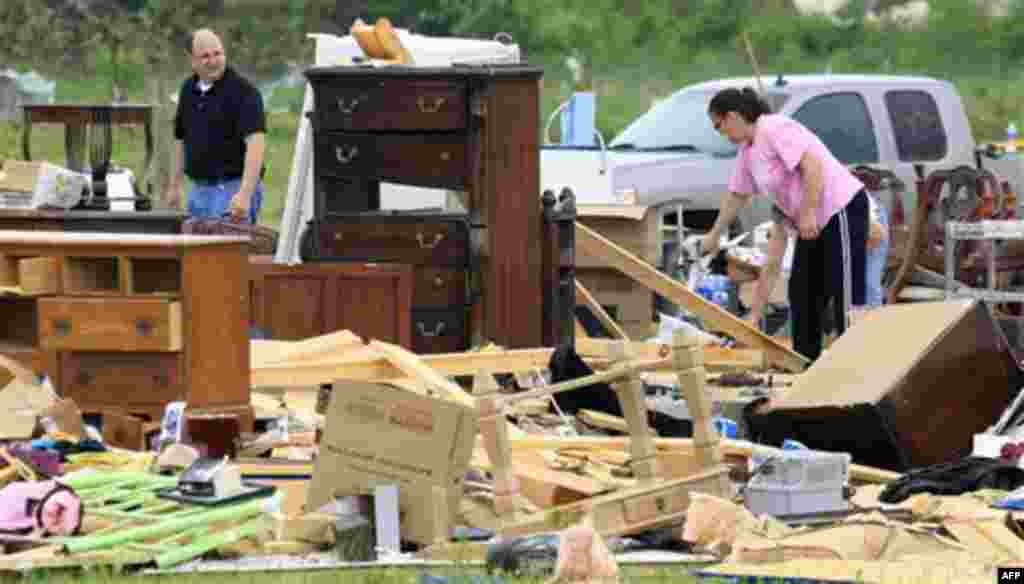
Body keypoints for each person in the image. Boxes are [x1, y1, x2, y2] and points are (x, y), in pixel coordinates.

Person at [702, 87, 870, 362]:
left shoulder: (774, 128)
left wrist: (808, 213)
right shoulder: (747, 151)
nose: (722, 134)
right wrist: (714, 233)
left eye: (719, 126)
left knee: (846, 293)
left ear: (732, 117)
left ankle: (855, 365)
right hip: (807, 221)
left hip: (839, 209)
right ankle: (806, 363)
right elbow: (737, 195)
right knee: (803, 292)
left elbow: (813, 166)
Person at [170, 28, 266, 224]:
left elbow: (256, 144)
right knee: (195, 254)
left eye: (217, 54)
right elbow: (180, 139)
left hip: (232, 191)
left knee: (226, 254)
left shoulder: (244, 92)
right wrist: (175, 185)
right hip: (198, 192)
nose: (213, 60)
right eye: (205, 56)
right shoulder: (188, 90)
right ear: (193, 61)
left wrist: (245, 194)